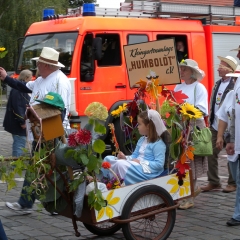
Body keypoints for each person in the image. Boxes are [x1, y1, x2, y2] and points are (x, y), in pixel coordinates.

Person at [0, 47, 71, 214]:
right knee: (42, 168)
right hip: (40, 132)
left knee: (42, 167)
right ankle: (48, 203)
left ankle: (30, 203)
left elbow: (60, 110)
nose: (37, 65)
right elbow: (24, 86)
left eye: (39, 62)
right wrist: (6, 78)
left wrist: (51, 134)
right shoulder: (42, 79)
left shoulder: (59, 81)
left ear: (46, 65)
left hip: (51, 133)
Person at [174, 59, 208, 209]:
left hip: (193, 127)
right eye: (181, 69)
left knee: (190, 161)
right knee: (181, 162)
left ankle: (190, 197)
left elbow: (202, 109)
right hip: (180, 126)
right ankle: (186, 193)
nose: (181, 71)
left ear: (192, 73)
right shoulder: (178, 86)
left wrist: (185, 111)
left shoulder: (199, 88)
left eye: (184, 69)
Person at [101, 109, 168, 185]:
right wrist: (125, 158)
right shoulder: (142, 139)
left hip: (147, 171)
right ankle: (107, 181)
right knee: (108, 159)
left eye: (139, 124)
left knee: (120, 165)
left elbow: (159, 165)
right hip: (136, 165)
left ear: (148, 126)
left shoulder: (158, 144)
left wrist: (140, 162)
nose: (137, 127)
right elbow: (135, 155)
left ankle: (119, 184)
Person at [201, 55, 237, 193]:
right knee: (211, 152)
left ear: (230, 69)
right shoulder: (218, 83)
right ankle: (214, 181)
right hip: (215, 124)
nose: (218, 68)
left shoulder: (234, 85)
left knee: (230, 154)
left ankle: (232, 182)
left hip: (230, 127)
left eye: (221, 66)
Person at [216, 67, 239, 185]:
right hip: (232, 141)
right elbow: (223, 117)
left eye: (237, 79)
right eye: (234, 79)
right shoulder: (230, 95)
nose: (235, 82)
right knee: (236, 178)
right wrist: (220, 136)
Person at [3, 69, 32, 157]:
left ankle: (16, 164)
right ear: (27, 77)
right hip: (17, 123)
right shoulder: (19, 89)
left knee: (19, 142)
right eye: (30, 78)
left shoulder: (18, 88)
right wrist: (22, 121)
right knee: (19, 143)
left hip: (15, 122)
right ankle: (15, 166)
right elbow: (18, 106)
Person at [225, 67, 240, 227]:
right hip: (238, 141)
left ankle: (238, 214)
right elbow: (234, 114)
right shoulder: (236, 87)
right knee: (238, 179)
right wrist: (231, 138)